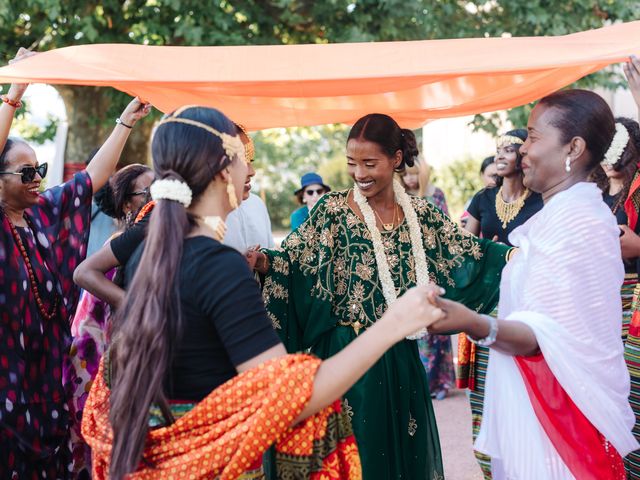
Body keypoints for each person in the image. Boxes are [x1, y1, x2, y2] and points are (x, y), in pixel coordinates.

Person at [79, 105, 445, 480]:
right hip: (213, 466)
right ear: (223, 171)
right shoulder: (218, 265)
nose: (251, 171)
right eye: (244, 159)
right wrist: (394, 323)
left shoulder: (150, 251)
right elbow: (287, 398)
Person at [246, 113, 511, 480]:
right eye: (352, 163)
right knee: (358, 464)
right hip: (344, 360)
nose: (359, 173)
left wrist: (515, 258)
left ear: (396, 159)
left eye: (370, 163)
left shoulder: (421, 216)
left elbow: (466, 254)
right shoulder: (332, 211)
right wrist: (263, 262)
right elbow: (294, 262)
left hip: (401, 361)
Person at [427, 89, 639, 479]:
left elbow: (541, 335)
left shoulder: (580, 223)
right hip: (541, 406)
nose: (523, 149)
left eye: (534, 137)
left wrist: (471, 322)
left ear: (572, 147)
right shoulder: (559, 216)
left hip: (563, 416)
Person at [0, 47, 151, 478]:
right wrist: (15, 93)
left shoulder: (42, 213)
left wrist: (126, 121)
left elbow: (91, 179)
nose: (37, 179)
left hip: (48, 382)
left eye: (39, 169)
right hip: (6, 386)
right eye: (25, 172)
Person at [64, 163, 153, 477]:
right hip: (103, 360)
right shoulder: (119, 244)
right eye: (149, 192)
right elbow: (89, 321)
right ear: (128, 204)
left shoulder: (154, 240)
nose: (159, 199)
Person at [397, 142, 454, 401]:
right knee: (414, 323)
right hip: (407, 266)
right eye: (404, 174)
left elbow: (445, 232)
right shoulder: (398, 198)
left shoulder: (435, 195)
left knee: (436, 321)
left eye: (412, 173)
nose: (409, 178)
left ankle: (439, 382)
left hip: (433, 264)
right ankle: (418, 380)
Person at [465, 129, 544, 245]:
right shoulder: (483, 197)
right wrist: (487, 250)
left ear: (524, 156)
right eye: (498, 152)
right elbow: (465, 247)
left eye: (508, 150)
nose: (499, 157)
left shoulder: (540, 201)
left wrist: (509, 254)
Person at [223, 125, 275, 252]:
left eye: (250, 160)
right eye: (241, 161)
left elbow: (271, 254)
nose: (252, 171)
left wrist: (262, 262)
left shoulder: (257, 204)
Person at [460, 156, 498, 230]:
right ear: (482, 175)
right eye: (491, 176)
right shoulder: (477, 199)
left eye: (498, 176)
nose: (495, 181)